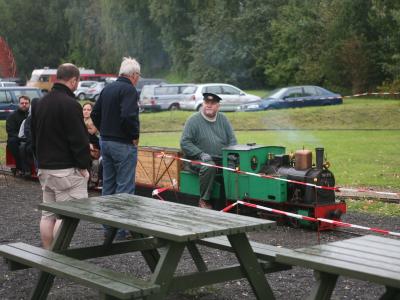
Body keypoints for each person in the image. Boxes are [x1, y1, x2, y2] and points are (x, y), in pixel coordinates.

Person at [31, 63, 91, 249]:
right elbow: (79, 141)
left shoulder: (40, 102)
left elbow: (33, 135)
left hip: (45, 168)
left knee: (48, 214)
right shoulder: (71, 105)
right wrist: (84, 166)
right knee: (67, 216)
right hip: (65, 170)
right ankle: (58, 257)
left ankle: (49, 253)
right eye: (77, 81)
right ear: (73, 80)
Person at [91, 57, 140, 240]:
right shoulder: (129, 90)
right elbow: (128, 116)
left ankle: (108, 228)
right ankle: (121, 230)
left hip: (105, 142)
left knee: (108, 186)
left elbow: (95, 113)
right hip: (123, 144)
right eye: (138, 76)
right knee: (125, 187)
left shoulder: (107, 89)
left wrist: (104, 130)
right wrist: (134, 135)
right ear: (134, 75)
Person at [180, 92, 237, 209]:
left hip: (220, 159)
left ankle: (234, 200)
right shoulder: (193, 120)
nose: (209, 105)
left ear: (218, 106)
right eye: (207, 102)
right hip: (196, 160)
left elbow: (233, 141)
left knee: (237, 167)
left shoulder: (223, 119)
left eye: (212, 103)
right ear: (203, 103)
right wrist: (200, 154)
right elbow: (184, 142)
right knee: (209, 166)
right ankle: (204, 200)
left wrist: (231, 155)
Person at [6, 95, 30, 175]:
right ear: (18, 104)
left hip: (29, 138)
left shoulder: (31, 115)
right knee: (12, 142)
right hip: (16, 139)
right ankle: (20, 166)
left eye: (26, 103)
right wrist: (22, 138)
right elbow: (10, 131)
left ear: (29, 104)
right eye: (22, 103)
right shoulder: (12, 116)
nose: (24, 105)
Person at [84, 117, 101, 188]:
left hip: (96, 155)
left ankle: (94, 181)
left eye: (91, 127)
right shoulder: (83, 134)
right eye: (87, 127)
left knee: (96, 163)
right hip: (86, 154)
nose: (89, 129)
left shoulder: (98, 136)